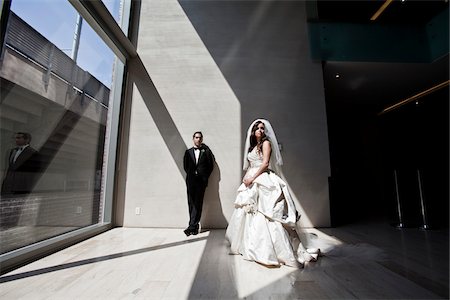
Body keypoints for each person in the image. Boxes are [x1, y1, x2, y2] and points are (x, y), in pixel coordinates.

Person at [225, 119, 320, 267]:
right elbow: (251, 164)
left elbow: (265, 164)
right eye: (257, 128)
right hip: (251, 178)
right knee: (249, 212)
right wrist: (247, 177)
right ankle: (251, 245)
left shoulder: (266, 143)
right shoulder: (252, 146)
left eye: (262, 128)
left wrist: (252, 178)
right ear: (253, 131)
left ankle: (275, 250)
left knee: (269, 212)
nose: (260, 131)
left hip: (263, 179)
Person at [183, 131, 215, 236]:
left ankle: (191, 226)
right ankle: (194, 227)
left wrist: (205, 176)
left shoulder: (206, 152)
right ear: (193, 139)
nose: (198, 139)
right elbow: (185, 166)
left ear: (202, 139)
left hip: (201, 182)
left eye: (200, 138)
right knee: (191, 203)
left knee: (198, 203)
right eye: (196, 137)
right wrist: (192, 175)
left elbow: (211, 165)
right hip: (191, 181)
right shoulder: (188, 152)